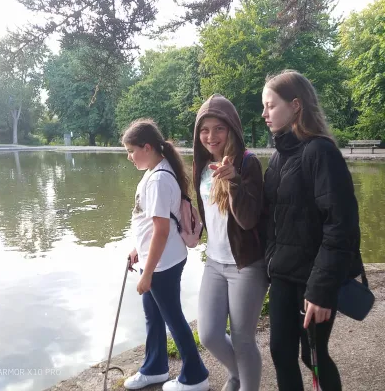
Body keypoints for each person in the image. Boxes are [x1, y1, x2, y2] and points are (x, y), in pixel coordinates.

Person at [262, 70, 362, 391]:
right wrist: (270, 262)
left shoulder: (321, 152)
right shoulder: (278, 158)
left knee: (312, 355)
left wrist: (320, 290)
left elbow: (341, 226)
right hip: (283, 277)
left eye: (270, 106)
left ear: (295, 106)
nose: (264, 114)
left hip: (313, 282)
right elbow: (271, 219)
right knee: (280, 352)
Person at [122, 119, 209, 391]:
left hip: (162, 263)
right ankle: (155, 368)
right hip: (156, 258)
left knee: (172, 317)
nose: (129, 157)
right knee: (153, 314)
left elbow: (161, 230)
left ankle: (195, 376)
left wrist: (147, 274)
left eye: (131, 150)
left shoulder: (159, 178)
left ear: (147, 147)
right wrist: (138, 248)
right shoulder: (154, 170)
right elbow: (152, 223)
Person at [193, 94, 268, 391]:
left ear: (232, 129)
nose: (211, 136)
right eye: (204, 129)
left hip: (246, 264)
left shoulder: (249, 164)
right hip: (214, 261)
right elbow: (210, 217)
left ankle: (246, 384)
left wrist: (234, 180)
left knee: (243, 338)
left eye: (219, 128)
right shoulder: (201, 167)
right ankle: (238, 375)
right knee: (209, 334)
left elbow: (248, 221)